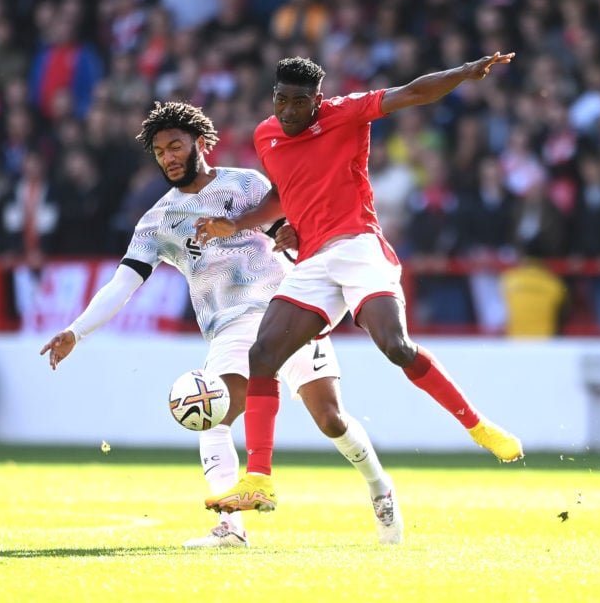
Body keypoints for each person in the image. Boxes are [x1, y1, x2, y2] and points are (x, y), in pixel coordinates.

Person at [40, 102, 402, 547]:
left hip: (287, 309)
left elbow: (300, 232)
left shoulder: (247, 184)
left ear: (201, 143)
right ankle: (231, 528)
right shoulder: (158, 220)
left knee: (329, 419)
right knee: (210, 413)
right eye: (160, 151)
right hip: (228, 327)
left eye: (176, 146)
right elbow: (123, 283)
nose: (169, 157)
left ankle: (378, 485)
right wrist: (77, 330)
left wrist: (293, 237)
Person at [196, 54, 523, 514]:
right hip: (312, 261)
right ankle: (259, 481)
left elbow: (412, 91)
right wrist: (238, 224)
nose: (289, 111)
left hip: (358, 246)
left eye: (299, 102)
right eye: (282, 100)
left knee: (396, 346)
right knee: (262, 354)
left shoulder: (347, 113)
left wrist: (464, 72)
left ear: (318, 101)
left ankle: (477, 425)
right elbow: (282, 195)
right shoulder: (266, 135)